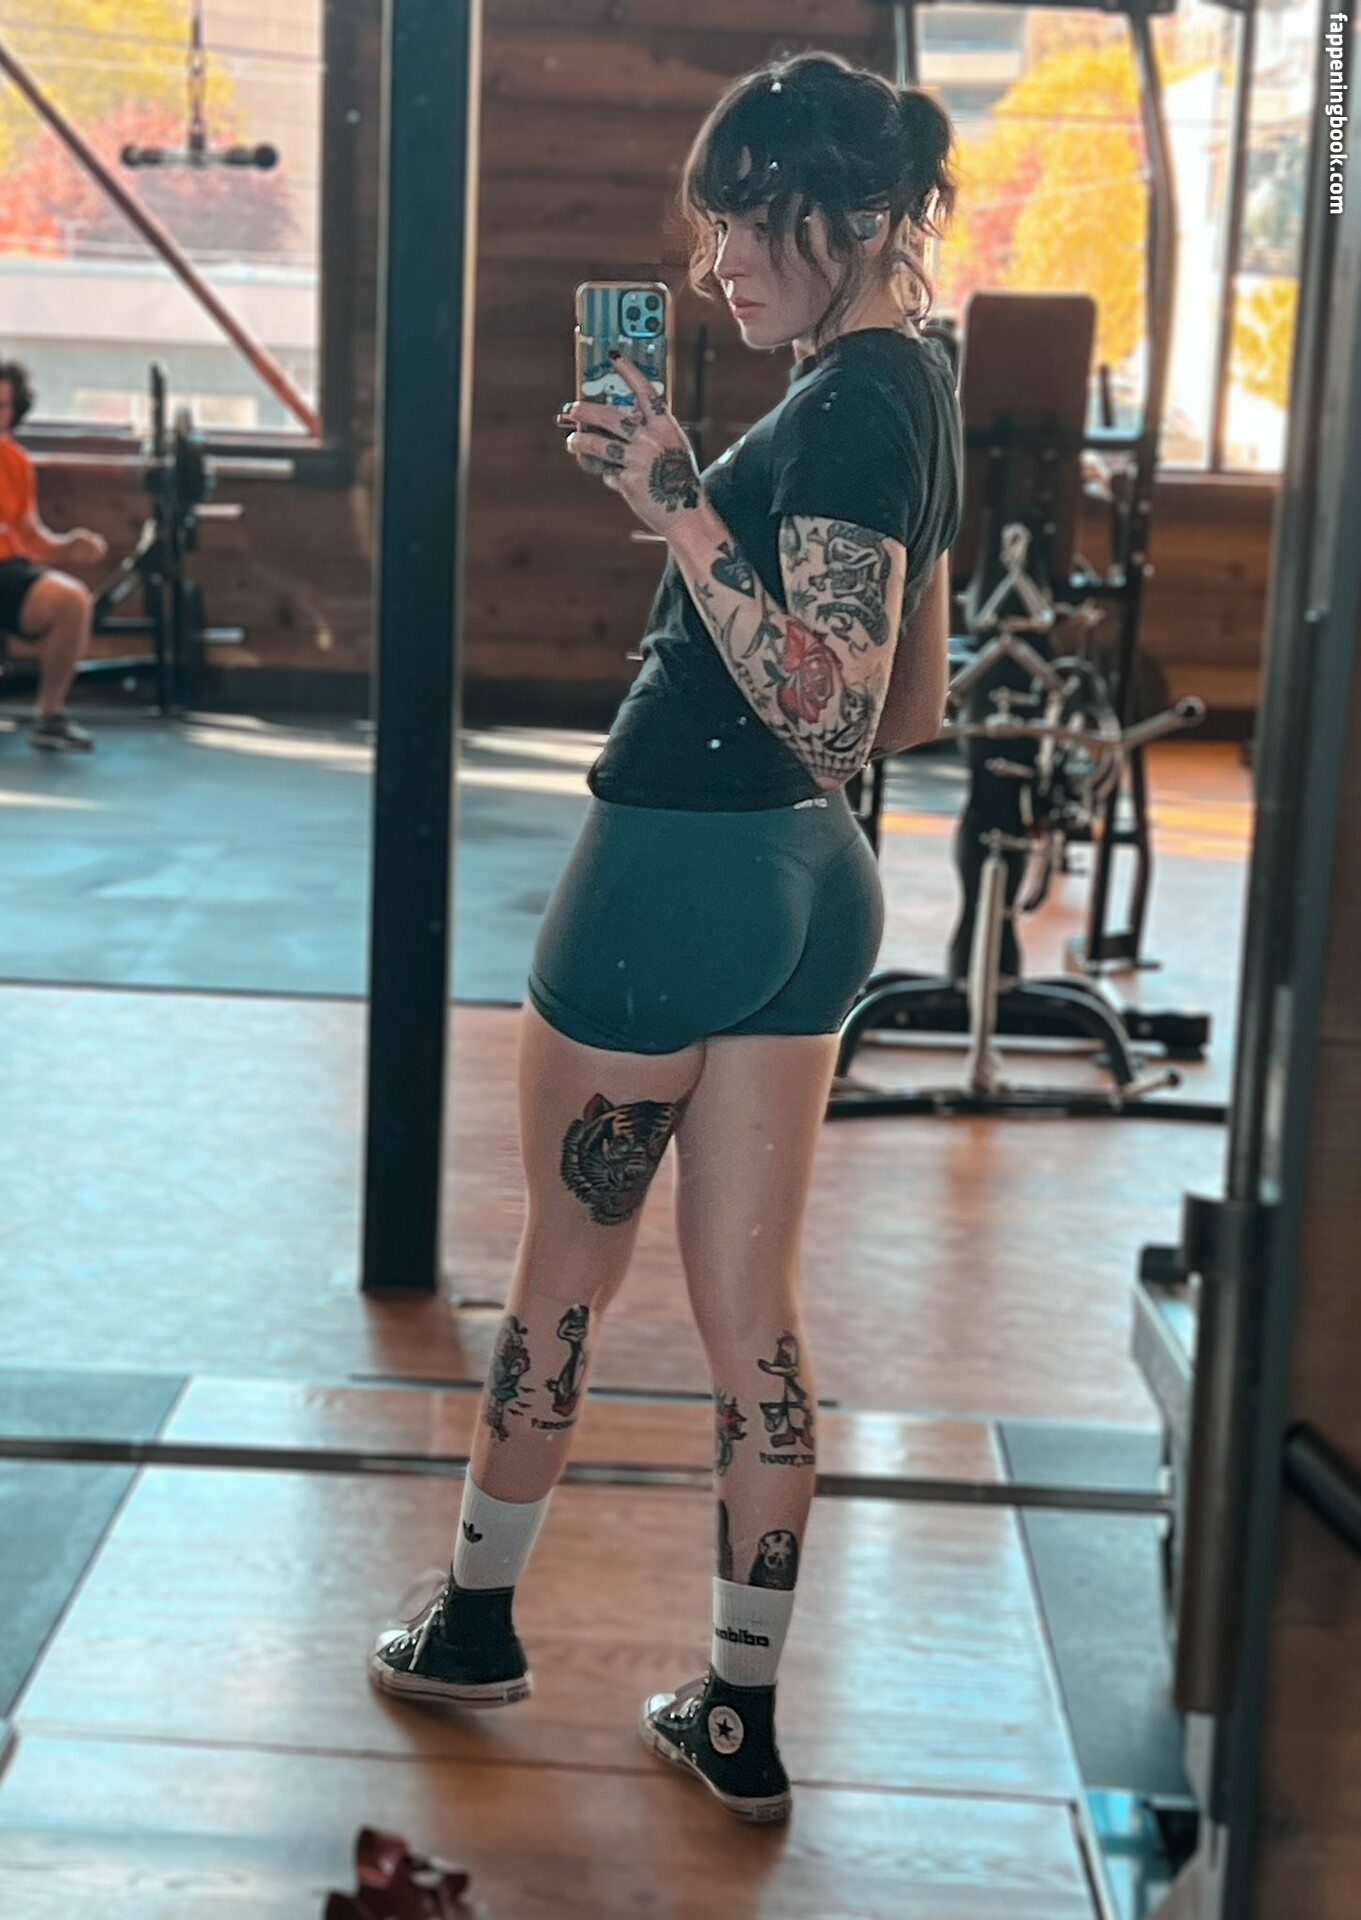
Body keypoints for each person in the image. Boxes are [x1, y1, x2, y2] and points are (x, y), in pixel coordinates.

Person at [368, 51, 964, 1825]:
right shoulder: (918, 381)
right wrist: (708, 496)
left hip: (673, 878)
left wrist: (675, 504)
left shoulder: (849, 406)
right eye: (714, 229)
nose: (724, 263)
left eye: (758, 221)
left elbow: (834, 699)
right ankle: (739, 1716)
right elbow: (907, 709)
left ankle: (473, 1623)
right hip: (810, 885)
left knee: (565, 1262)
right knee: (750, 1312)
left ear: (862, 216)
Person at [0, 358, 107, 752]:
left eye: (1, 406)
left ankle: (49, 716)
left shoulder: (15, 462)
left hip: (6, 570)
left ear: (13, 413)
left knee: (72, 601)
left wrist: (67, 545)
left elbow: (30, 536)